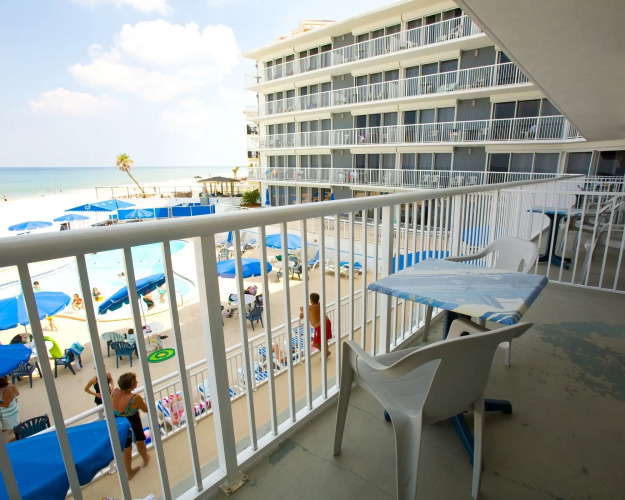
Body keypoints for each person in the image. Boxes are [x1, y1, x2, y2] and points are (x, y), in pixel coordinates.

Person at [111, 373, 150, 479]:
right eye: (134, 381)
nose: (136, 382)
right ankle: (146, 459)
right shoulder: (135, 398)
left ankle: (129, 472)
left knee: (127, 448)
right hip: (132, 422)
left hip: (119, 423)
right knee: (140, 442)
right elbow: (146, 409)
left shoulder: (114, 392)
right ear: (130, 385)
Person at [300, 292, 332, 357]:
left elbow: (301, 316)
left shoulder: (310, 308)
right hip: (327, 322)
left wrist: (302, 310)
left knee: (315, 344)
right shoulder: (319, 304)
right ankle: (325, 355)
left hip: (319, 326)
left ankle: (326, 352)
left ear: (311, 300)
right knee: (325, 340)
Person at [0, 376, 20, 443]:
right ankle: (16, 426)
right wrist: (12, 397)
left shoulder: (4, 393)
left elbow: (6, 405)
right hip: (14, 406)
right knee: (16, 420)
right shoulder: (11, 385)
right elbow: (17, 393)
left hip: (9, 411)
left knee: (13, 423)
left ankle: (17, 436)